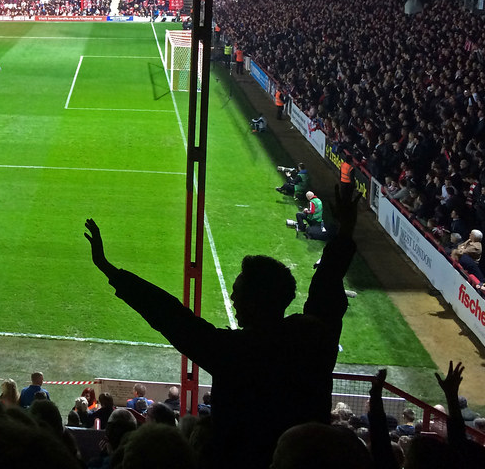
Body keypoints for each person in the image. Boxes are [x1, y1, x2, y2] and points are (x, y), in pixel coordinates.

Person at [84, 185, 358, 469]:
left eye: (237, 292)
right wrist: (346, 231)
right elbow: (326, 290)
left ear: (254, 302)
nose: (232, 298)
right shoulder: (313, 337)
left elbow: (170, 316)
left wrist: (109, 269)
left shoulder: (236, 352)